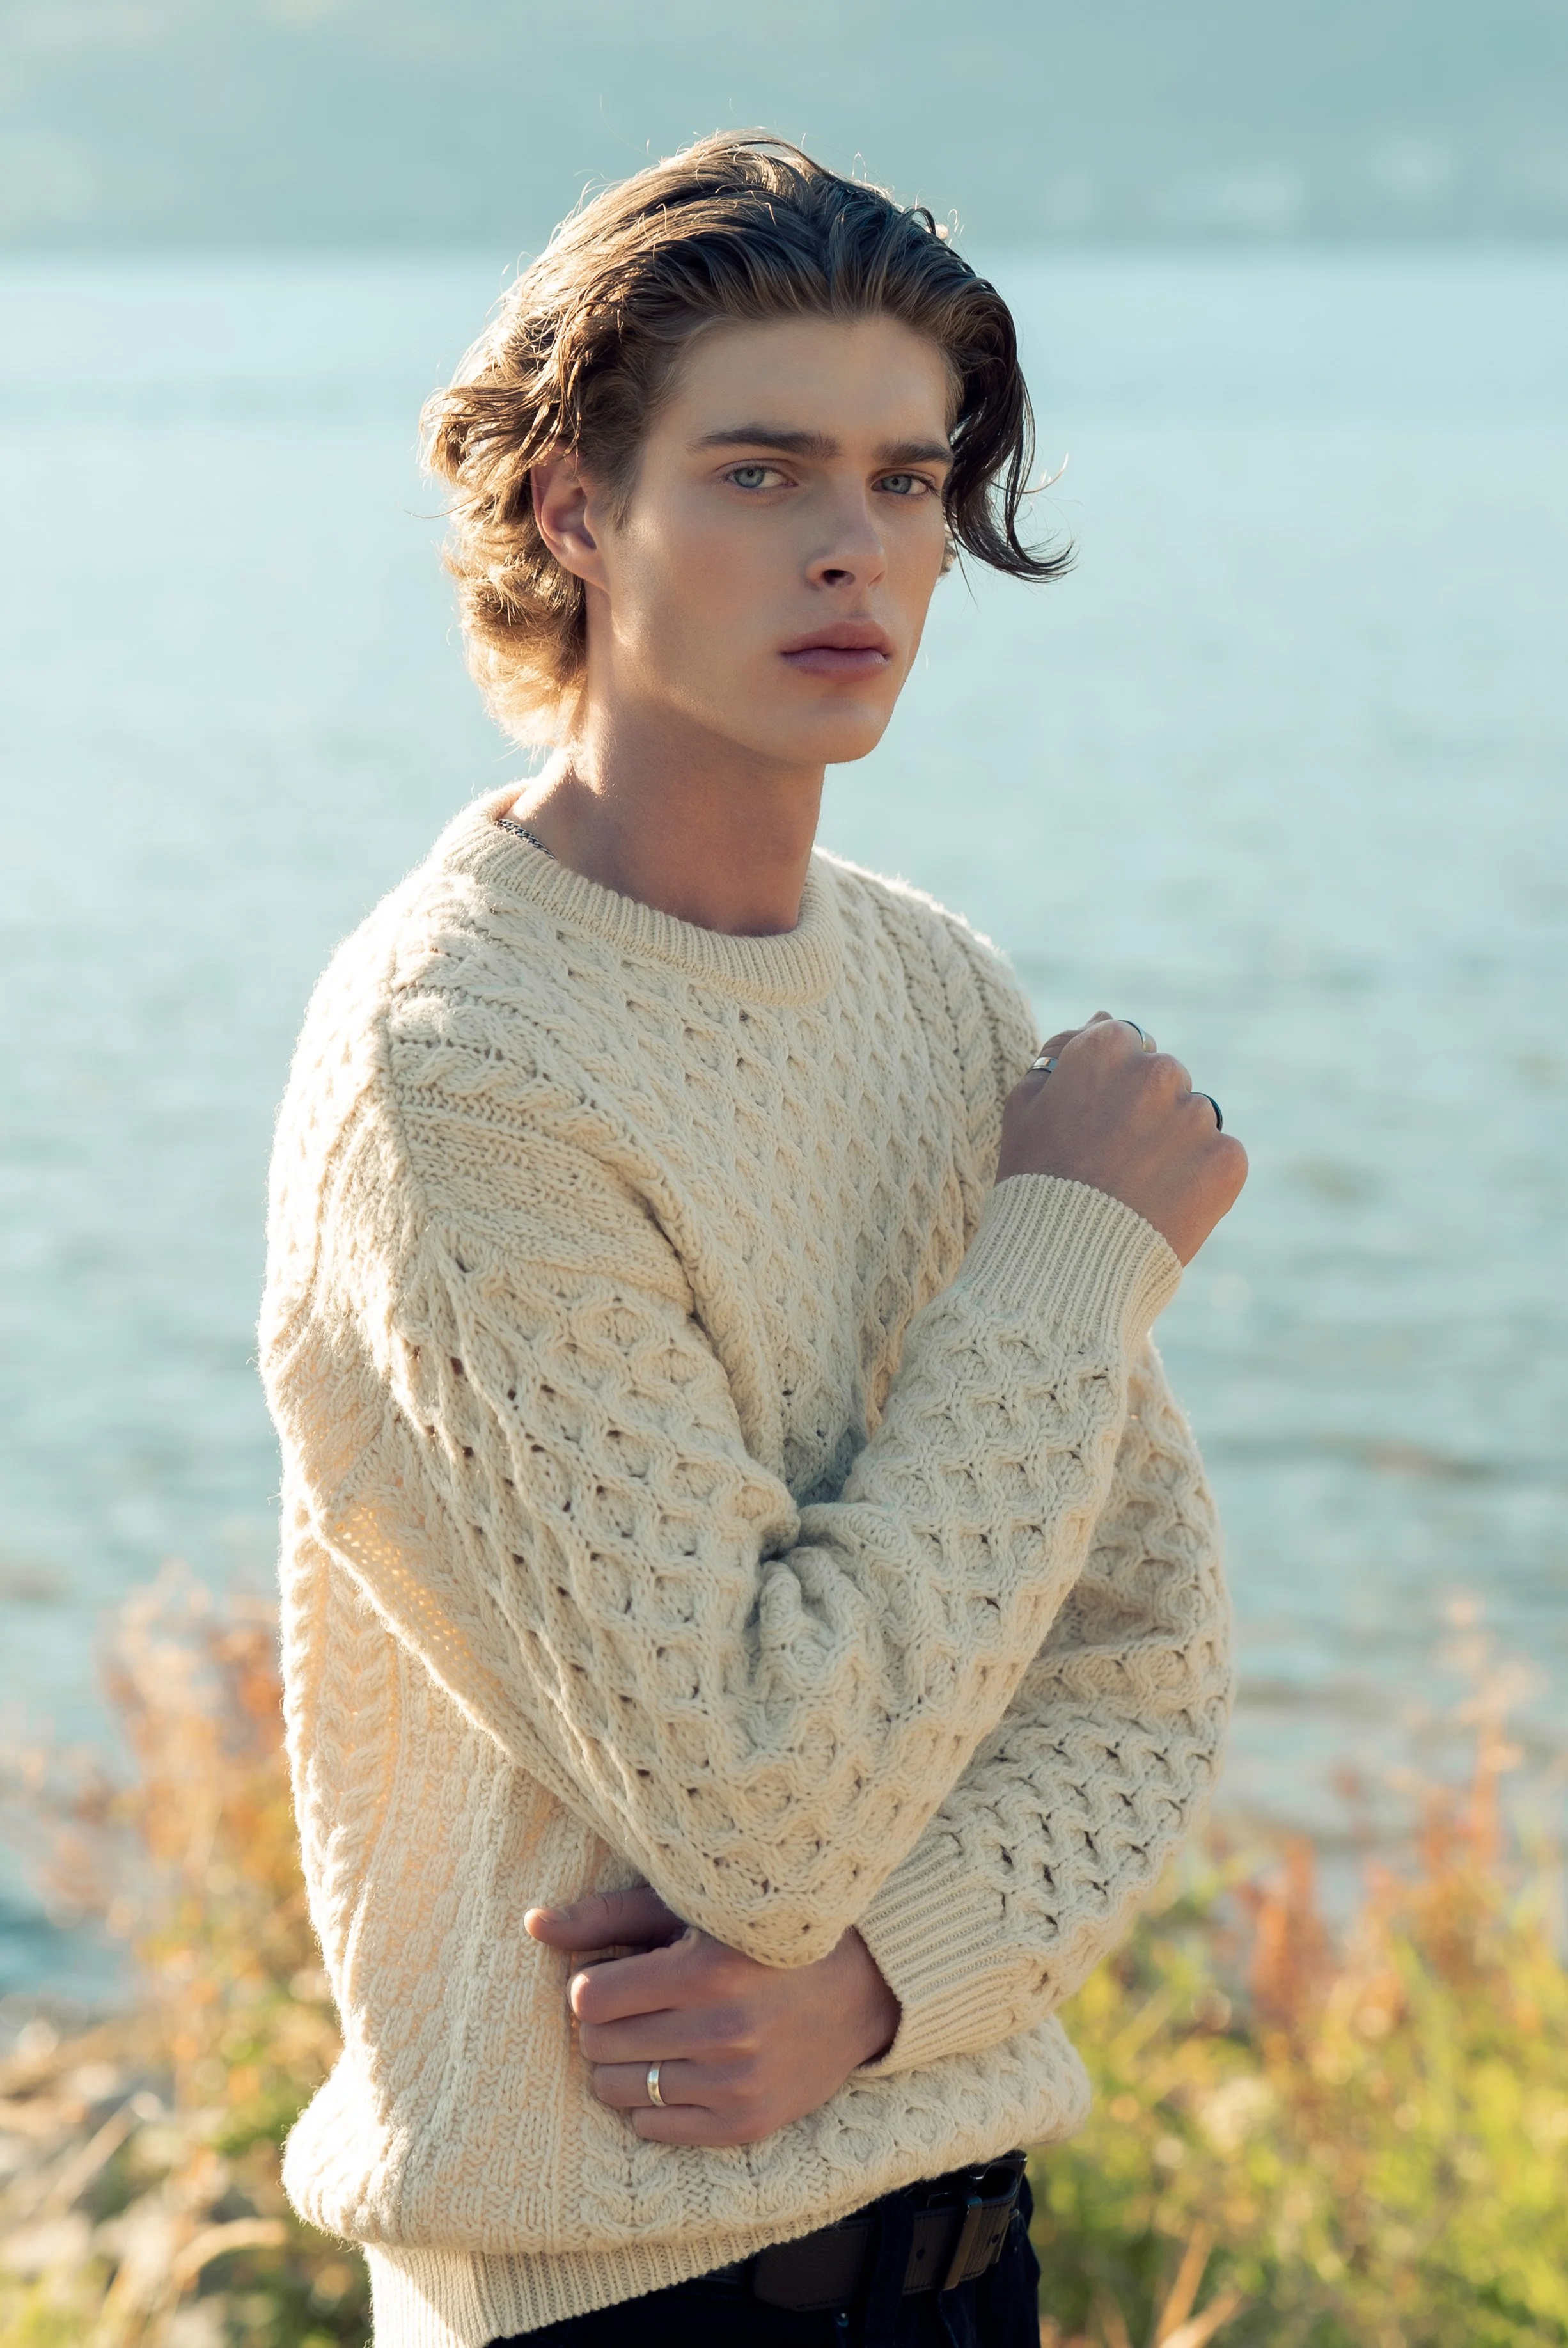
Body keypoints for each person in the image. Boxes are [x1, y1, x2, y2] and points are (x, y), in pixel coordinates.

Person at [260, 133, 1243, 2348]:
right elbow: (761, 1804)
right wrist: (1065, 1257)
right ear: (573, 511)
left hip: (959, 2244)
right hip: (608, 2295)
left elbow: (1144, 1658)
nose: (853, 548)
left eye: (906, 481)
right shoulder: (458, 1063)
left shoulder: (935, 994)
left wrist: (885, 1983)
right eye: (762, 471)